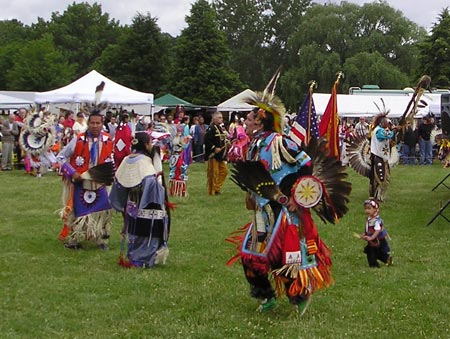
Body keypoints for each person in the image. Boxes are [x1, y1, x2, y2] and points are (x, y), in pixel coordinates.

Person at [227, 85, 351, 316]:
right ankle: (265, 296)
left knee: (285, 257)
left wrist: (297, 196)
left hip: (283, 210)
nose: (246, 120)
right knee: (251, 256)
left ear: (261, 121)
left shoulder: (280, 142)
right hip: (263, 211)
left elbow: (305, 162)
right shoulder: (254, 145)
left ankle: (300, 296)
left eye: (251, 116)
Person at [109, 132, 171, 268]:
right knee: (147, 231)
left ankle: (133, 256)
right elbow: (153, 184)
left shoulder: (126, 160)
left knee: (134, 231)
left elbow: (118, 183)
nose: (151, 145)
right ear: (146, 144)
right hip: (148, 205)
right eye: (149, 142)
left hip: (131, 204)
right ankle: (143, 258)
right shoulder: (145, 162)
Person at [57, 112, 114, 249]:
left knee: (102, 211)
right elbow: (60, 157)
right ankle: (75, 239)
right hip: (80, 181)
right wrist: (72, 172)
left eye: (98, 123)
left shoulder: (108, 139)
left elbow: (111, 160)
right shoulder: (78, 139)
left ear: (102, 124)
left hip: (100, 182)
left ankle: (101, 239)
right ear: (88, 124)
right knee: (78, 211)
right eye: (92, 123)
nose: (95, 126)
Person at [369, 115, 400, 202]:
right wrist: (394, 130)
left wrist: (394, 130)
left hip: (381, 157)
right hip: (378, 157)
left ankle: (377, 195)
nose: (388, 124)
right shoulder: (378, 131)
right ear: (382, 123)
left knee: (382, 176)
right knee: (380, 177)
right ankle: (377, 196)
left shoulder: (381, 129)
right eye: (387, 123)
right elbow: (387, 135)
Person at [358, 199, 393, 268]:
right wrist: (365, 235)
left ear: (375, 209)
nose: (367, 210)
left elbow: (377, 230)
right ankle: (386, 259)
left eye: (369, 208)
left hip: (377, 240)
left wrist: (371, 237)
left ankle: (373, 265)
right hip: (373, 239)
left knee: (371, 251)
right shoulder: (369, 218)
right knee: (375, 252)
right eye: (365, 208)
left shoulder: (377, 220)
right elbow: (369, 229)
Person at [204, 111, 229, 195]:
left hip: (220, 155)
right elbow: (207, 141)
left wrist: (227, 143)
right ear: (214, 118)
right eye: (219, 117)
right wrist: (214, 148)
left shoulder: (220, 128)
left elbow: (221, 139)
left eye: (221, 117)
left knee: (224, 171)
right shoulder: (211, 128)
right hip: (213, 155)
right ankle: (212, 191)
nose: (221, 119)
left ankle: (217, 188)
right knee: (214, 173)